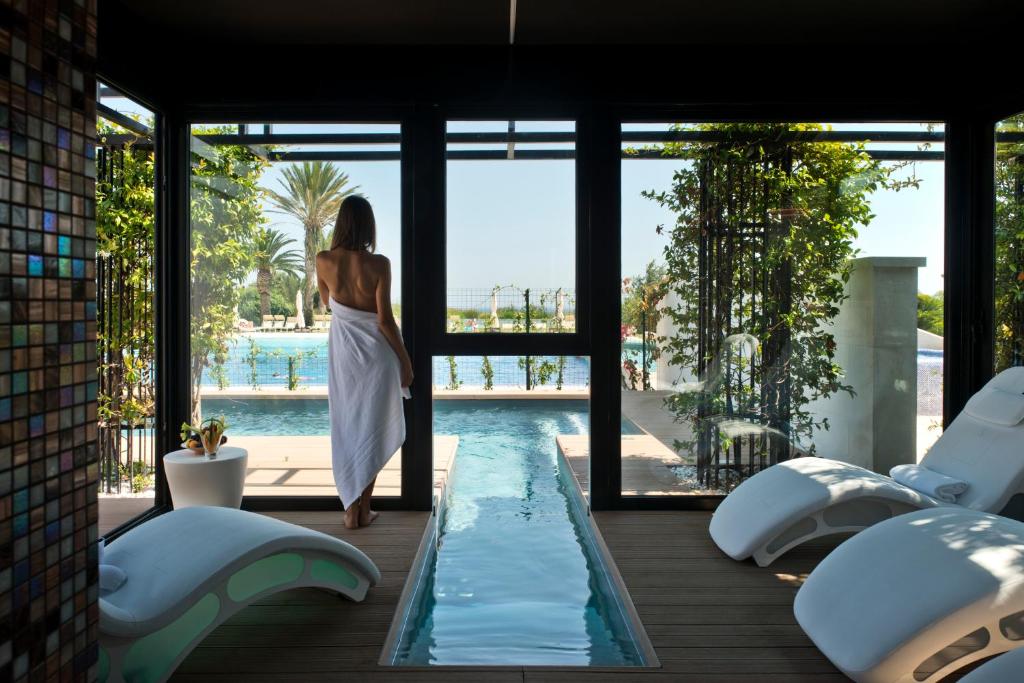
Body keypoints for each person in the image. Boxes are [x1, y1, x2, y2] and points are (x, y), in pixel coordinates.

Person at [316, 196, 412, 529]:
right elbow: (385, 321)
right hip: (377, 357)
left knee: (348, 425)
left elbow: (328, 304)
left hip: (344, 357)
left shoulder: (323, 261)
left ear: (340, 224)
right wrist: (405, 362)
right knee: (372, 425)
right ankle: (363, 507)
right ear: (368, 225)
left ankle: (350, 509)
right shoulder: (380, 264)